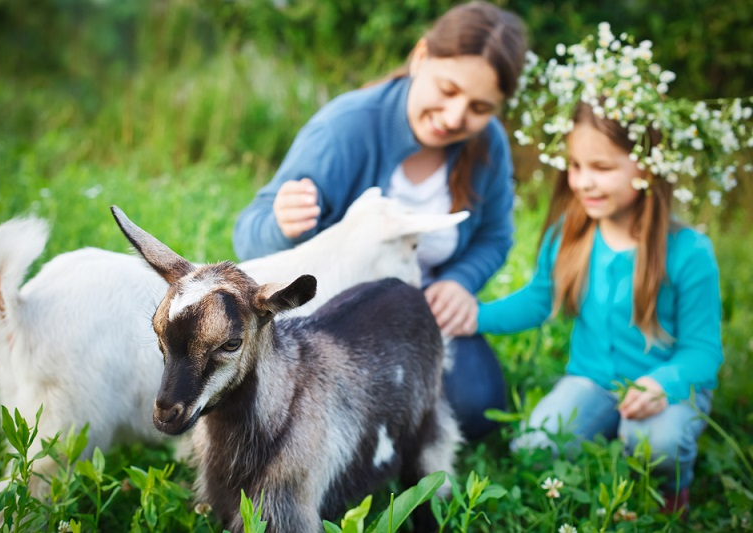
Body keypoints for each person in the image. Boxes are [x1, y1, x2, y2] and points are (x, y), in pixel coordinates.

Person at [467, 23, 751, 513]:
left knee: (655, 446)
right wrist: (477, 315)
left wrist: (663, 383)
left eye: (601, 168)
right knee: (532, 451)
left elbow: (704, 353)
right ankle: (612, 439)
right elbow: (540, 298)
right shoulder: (570, 236)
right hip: (592, 379)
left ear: (644, 167)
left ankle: (672, 487)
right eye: (576, 167)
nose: (582, 183)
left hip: (667, 386)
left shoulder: (688, 251)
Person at [233, 1, 527, 440]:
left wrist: (461, 281)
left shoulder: (489, 145)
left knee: (478, 411)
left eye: (480, 107)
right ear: (421, 57)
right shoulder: (346, 128)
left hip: (427, 312)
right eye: (447, 90)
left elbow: (496, 237)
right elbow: (248, 236)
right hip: (334, 319)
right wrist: (281, 223)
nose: (454, 118)